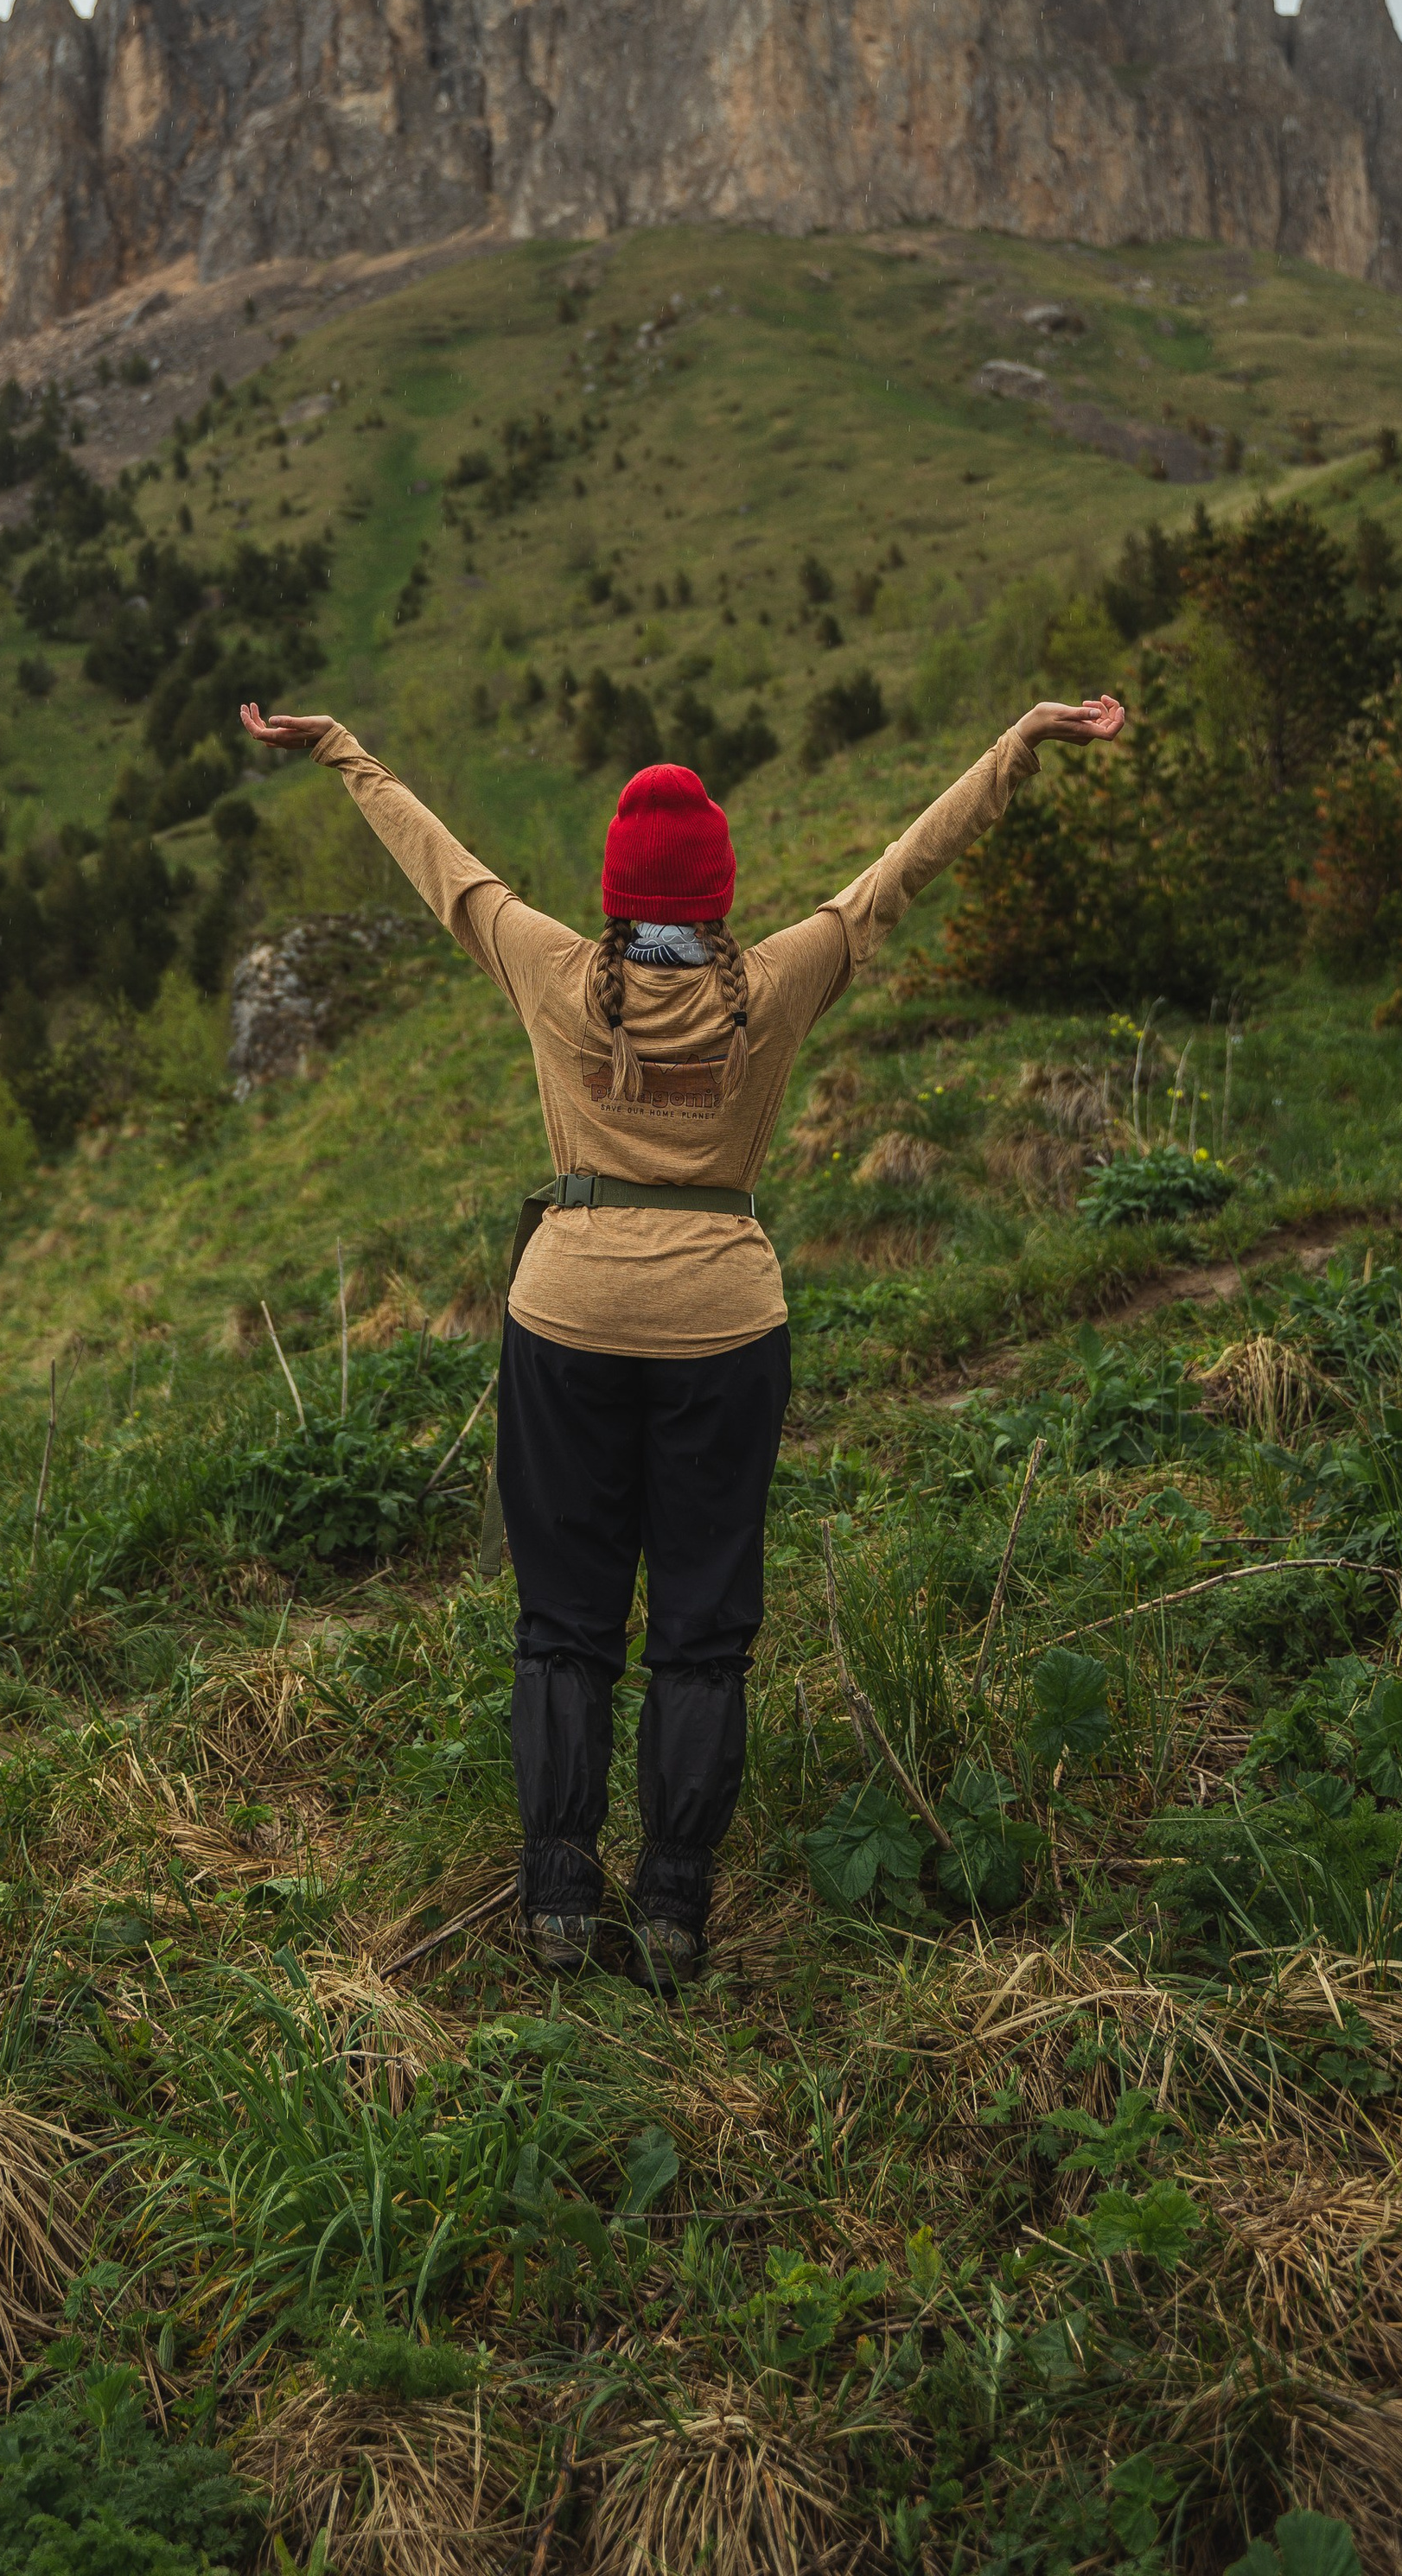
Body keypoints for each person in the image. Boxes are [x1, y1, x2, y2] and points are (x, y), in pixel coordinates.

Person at [240, 687, 1125, 1990]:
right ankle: (671, 1910)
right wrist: (1018, 745)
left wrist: (341, 750)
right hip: (724, 1325)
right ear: (719, 891)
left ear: (611, 888)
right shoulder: (771, 985)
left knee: (565, 1623)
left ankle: (556, 1898)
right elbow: (900, 872)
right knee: (701, 1632)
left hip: (567, 1316)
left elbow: (443, 864)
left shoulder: (552, 969)